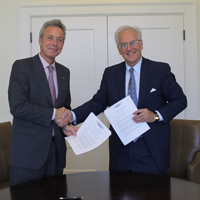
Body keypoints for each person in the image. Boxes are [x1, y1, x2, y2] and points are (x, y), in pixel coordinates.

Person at [60, 25, 187, 175]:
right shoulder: (111, 74)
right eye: (124, 45)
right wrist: (72, 116)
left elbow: (180, 100)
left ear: (141, 44)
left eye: (133, 43)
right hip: (120, 153)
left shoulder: (160, 70)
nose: (129, 48)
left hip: (152, 151)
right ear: (119, 49)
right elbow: (98, 102)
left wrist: (155, 115)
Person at [8, 19, 78, 186]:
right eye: (50, 37)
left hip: (56, 154)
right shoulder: (22, 67)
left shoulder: (64, 72)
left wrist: (65, 124)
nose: (54, 43)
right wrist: (54, 114)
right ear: (40, 40)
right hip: (28, 155)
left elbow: (64, 107)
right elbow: (17, 106)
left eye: (59, 39)